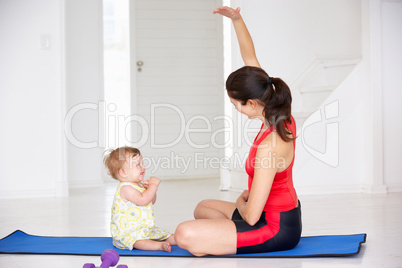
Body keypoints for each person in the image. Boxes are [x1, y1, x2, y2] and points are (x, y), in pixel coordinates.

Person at [174, 6, 302, 256]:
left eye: (236, 104)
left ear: (252, 103)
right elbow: (250, 59)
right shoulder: (275, 106)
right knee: (203, 207)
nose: (235, 109)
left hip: (274, 228)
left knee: (184, 233)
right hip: (268, 212)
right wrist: (237, 20)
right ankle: (218, 238)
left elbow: (252, 216)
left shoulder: (270, 147)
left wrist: (240, 202)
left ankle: (212, 240)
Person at [103, 146, 176, 252]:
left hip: (143, 229)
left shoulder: (139, 184)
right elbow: (142, 200)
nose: (143, 167)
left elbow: (151, 200)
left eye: (142, 163)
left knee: (163, 234)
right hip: (128, 232)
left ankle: (179, 240)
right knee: (137, 241)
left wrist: (150, 189)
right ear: (123, 172)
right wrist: (153, 186)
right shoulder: (125, 188)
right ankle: (159, 246)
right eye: (138, 165)